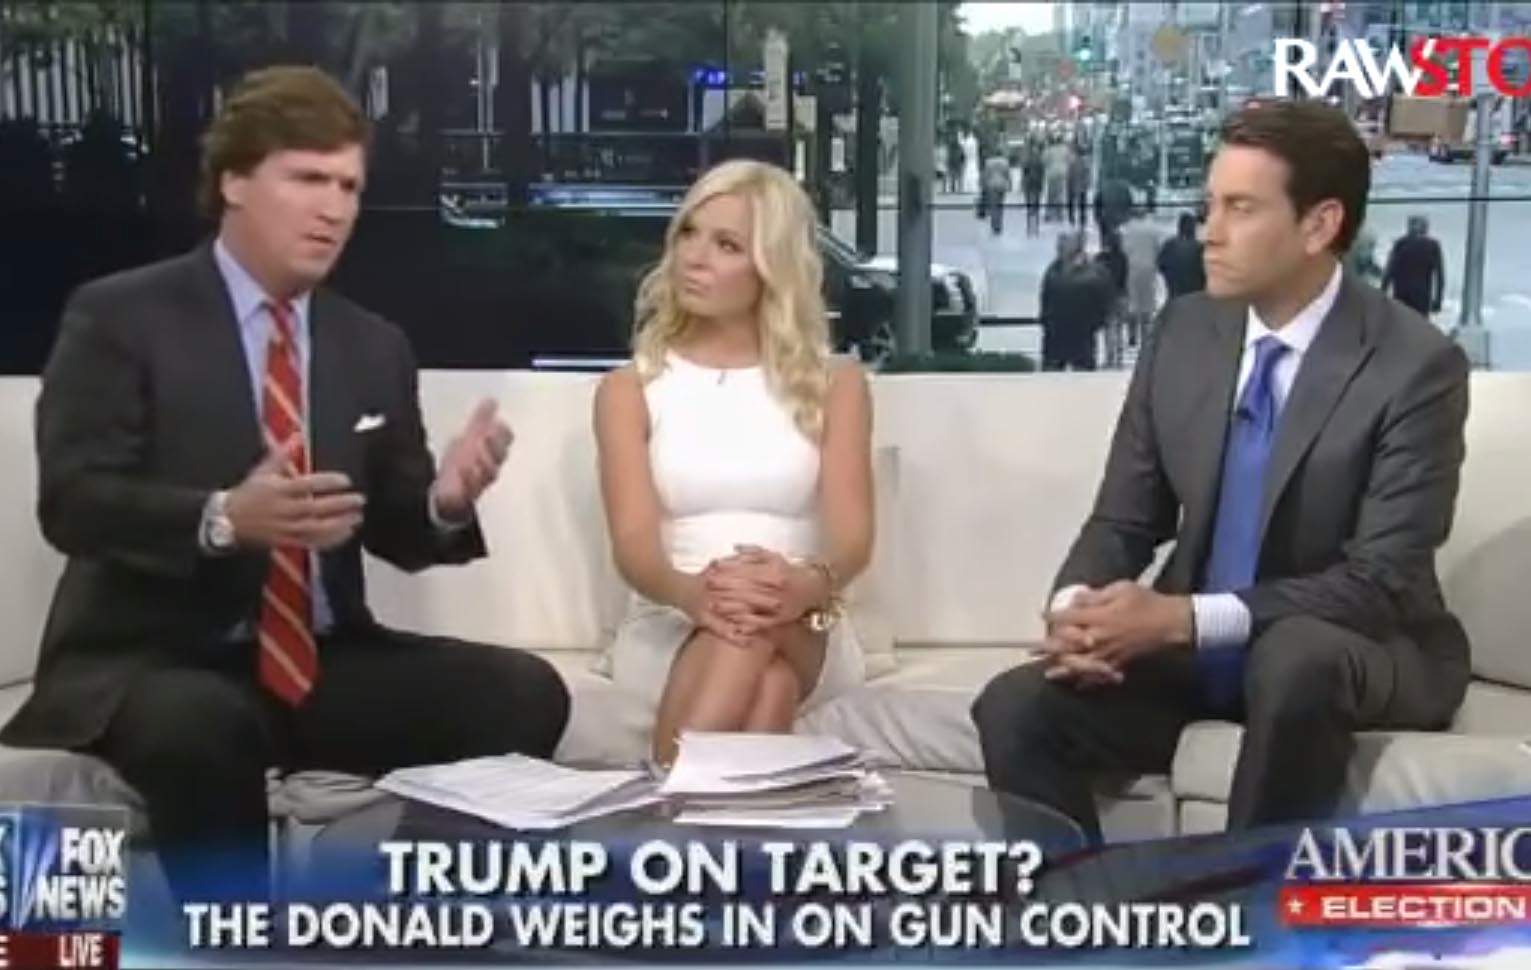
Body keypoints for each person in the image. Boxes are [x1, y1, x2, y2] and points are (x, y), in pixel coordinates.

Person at [1, 66, 572, 898]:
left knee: (523, 693)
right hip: (154, 660)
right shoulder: (122, 316)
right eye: (308, 178)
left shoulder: (371, 344)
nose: (333, 208)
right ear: (234, 181)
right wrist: (224, 518)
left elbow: (398, 529)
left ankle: (401, 922)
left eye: (348, 187)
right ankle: (237, 942)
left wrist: (445, 502)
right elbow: (74, 502)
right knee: (203, 724)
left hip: (321, 662)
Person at [972, 99, 1470, 843]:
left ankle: (1245, 908)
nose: (1209, 231)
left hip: (1351, 649)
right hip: (1199, 656)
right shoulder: (1184, 330)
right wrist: (1077, 613)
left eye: (1240, 208)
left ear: (1319, 225)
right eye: (1211, 205)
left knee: (1294, 657)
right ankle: (1081, 909)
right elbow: (1124, 519)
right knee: (1013, 707)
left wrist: (1181, 618)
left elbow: (1379, 583)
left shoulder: (1414, 366)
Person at [594, 159, 874, 768]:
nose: (693, 258)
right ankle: (715, 809)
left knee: (754, 625)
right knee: (764, 682)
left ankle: (666, 791)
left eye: (726, 245)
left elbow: (853, 539)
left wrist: (800, 586)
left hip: (803, 616)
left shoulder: (835, 383)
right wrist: (697, 596)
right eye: (689, 234)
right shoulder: (629, 388)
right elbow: (635, 548)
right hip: (672, 614)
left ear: (771, 266)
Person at [1039, 230, 1114, 372]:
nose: (1059, 247)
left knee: (1082, 372)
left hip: (1080, 336)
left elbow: (1104, 304)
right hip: (1056, 336)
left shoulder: (1093, 273)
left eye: (1063, 244)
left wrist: (1096, 323)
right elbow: (1046, 299)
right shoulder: (1053, 270)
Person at [1381, 215, 1445, 317]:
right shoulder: (1433, 246)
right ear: (1426, 229)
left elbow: (1389, 271)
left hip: (1401, 296)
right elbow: (1439, 276)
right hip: (1422, 298)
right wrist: (1438, 301)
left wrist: (1382, 294)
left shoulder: (1400, 244)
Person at [1120, 209, 1164, 346]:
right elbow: (1158, 249)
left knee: (1132, 302)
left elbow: (1123, 250)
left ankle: (1132, 335)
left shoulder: (1125, 229)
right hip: (1149, 268)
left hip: (1131, 268)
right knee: (1147, 303)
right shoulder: (1153, 229)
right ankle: (1145, 334)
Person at [1158, 211, 1207, 299]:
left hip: (1175, 294)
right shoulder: (1199, 247)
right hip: (1195, 295)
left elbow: (1160, 265)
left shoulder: (1169, 245)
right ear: (1193, 228)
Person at [983, 153, 1011, 236]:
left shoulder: (988, 162)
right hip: (1002, 185)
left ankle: (994, 225)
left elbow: (986, 175)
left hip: (992, 185)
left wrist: (984, 184)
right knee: (1000, 205)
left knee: (993, 206)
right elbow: (1007, 175)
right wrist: (1010, 184)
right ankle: (999, 224)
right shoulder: (1005, 162)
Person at [1022, 142, 1045, 238]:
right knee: (1035, 207)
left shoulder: (1027, 160)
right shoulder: (1040, 160)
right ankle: (1035, 228)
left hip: (1029, 185)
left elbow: (1024, 172)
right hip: (1036, 185)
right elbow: (1042, 174)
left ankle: (1030, 228)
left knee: (1030, 207)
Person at [1067, 145, 1091, 228]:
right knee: (1082, 204)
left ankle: (1071, 219)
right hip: (1082, 187)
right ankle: (1082, 220)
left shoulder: (1072, 163)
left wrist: (1069, 185)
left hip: (1073, 186)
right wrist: (1087, 184)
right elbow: (1087, 176)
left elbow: (1070, 175)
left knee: (1071, 203)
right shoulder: (1085, 164)